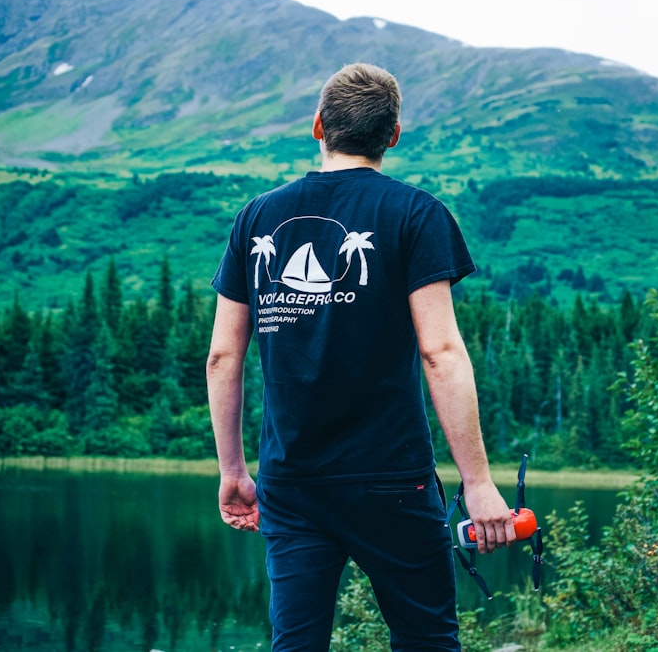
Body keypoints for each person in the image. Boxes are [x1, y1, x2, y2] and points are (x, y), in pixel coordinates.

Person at [206, 62, 515, 652]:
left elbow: (223, 357)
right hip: (392, 480)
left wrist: (233, 472)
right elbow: (441, 351)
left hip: (290, 481)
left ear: (318, 126)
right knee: (427, 641)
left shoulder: (256, 216)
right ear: (393, 135)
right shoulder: (416, 214)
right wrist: (477, 484)